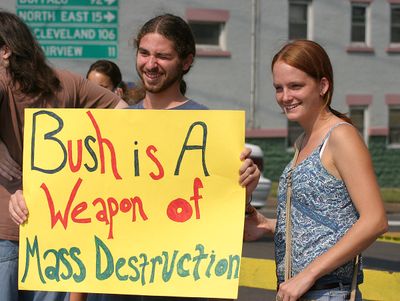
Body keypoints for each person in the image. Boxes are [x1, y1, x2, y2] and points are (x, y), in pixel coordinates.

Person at [65, 13, 260, 301]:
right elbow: (87, 211)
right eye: (144, 53)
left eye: (163, 56)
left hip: (179, 287)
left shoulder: (209, 128)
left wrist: (245, 191)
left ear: (186, 61)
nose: (150, 64)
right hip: (113, 286)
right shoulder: (113, 125)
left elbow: (222, 220)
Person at [243, 39, 388, 301]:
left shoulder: (341, 136)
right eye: (279, 88)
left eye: (295, 86)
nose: (285, 97)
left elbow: (375, 220)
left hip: (328, 291)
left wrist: (307, 275)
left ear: (323, 85)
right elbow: (324, 224)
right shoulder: (303, 141)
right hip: (301, 291)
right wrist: (265, 224)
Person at [0, 10, 128, 301]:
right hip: (58, 237)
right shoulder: (67, 82)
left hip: (7, 235)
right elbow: (124, 114)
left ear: (6, 50)